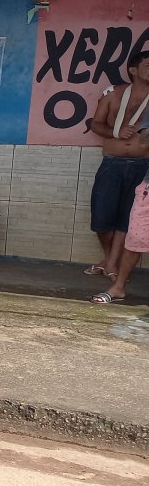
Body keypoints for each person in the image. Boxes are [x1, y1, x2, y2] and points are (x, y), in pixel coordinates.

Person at [89, 50, 149, 303]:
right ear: (133, 69)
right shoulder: (112, 94)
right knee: (101, 218)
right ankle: (110, 259)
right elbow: (96, 124)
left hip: (142, 165)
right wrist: (116, 132)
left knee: (129, 219)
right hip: (112, 162)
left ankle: (111, 264)